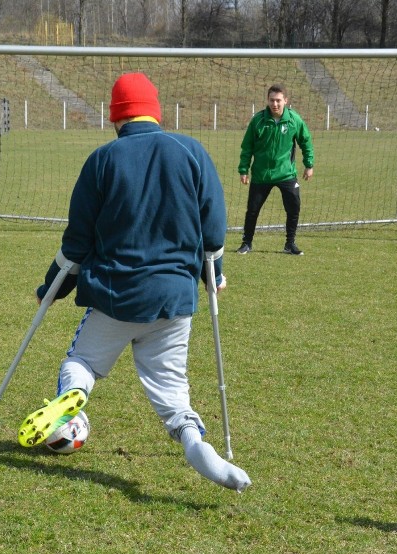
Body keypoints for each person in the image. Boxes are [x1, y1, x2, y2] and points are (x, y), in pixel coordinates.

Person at [17, 73, 251, 493]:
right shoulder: (191, 150)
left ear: (115, 118)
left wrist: (51, 287)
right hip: (173, 301)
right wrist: (212, 276)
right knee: (173, 394)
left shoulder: (103, 160)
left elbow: (76, 244)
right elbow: (213, 232)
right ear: (156, 112)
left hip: (114, 297)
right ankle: (194, 441)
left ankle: (73, 400)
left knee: (82, 363)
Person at [237, 84, 314, 256]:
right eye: (272, 100)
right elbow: (247, 147)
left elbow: (306, 141)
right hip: (261, 175)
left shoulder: (294, 120)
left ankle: (290, 244)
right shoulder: (258, 121)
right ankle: (246, 243)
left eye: (278, 100)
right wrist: (243, 170)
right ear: (268, 100)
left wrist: (309, 165)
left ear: (285, 101)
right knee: (253, 210)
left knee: (294, 207)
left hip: (286, 173)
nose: (275, 104)